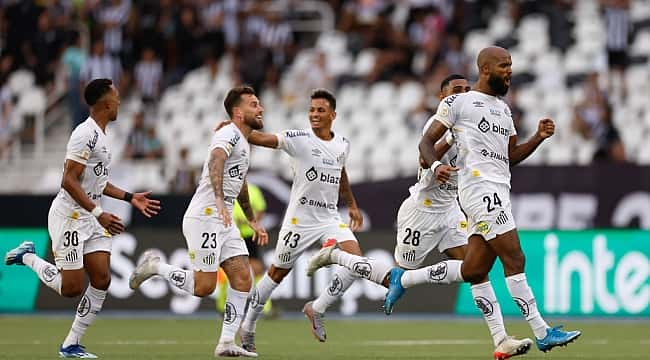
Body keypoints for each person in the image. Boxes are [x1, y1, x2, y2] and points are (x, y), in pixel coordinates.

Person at [308, 74, 537, 359]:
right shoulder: (440, 123)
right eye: (457, 90)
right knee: (395, 278)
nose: (464, 93)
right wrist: (447, 146)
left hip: (451, 211)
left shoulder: (473, 120)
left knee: (476, 270)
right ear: (443, 98)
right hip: (422, 212)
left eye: (467, 89)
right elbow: (422, 157)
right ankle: (335, 259)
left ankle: (501, 340)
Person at [414, 46, 580, 354]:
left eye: (511, 65)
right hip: (478, 188)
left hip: (498, 188)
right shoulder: (457, 102)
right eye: (504, 65)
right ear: (486, 69)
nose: (510, 70)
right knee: (515, 259)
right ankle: (542, 331)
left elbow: (509, 157)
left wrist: (538, 138)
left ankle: (404, 280)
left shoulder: (504, 110)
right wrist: (437, 166)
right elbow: (426, 142)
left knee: (474, 270)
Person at [4, 78, 161, 359]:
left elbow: (97, 183)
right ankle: (27, 256)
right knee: (71, 288)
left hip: (90, 216)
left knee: (101, 278)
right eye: (116, 97)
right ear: (105, 103)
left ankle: (70, 344)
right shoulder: (84, 134)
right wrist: (99, 213)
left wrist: (129, 197)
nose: (119, 102)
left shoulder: (101, 135)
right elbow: (68, 180)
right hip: (71, 217)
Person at [128, 85, 268, 358]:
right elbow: (216, 160)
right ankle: (155, 266)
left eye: (259, 103)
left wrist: (251, 219)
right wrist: (217, 199)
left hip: (223, 219)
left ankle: (226, 343)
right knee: (204, 287)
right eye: (254, 104)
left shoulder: (242, 140)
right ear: (238, 112)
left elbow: (240, 184)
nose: (260, 108)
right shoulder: (227, 134)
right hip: (205, 215)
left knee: (242, 278)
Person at [235, 89, 364, 353]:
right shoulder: (299, 138)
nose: (314, 114)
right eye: (312, 110)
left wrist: (351, 204)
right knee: (276, 274)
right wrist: (238, 128)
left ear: (333, 115)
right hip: (299, 220)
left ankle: (317, 308)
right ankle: (248, 326)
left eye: (320, 110)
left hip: (328, 218)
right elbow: (263, 138)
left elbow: (341, 174)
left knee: (357, 262)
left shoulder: (343, 144)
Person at [216, 182, 272, 315]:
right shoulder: (225, 189)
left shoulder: (252, 190)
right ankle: (222, 307)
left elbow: (261, 209)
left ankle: (264, 307)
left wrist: (249, 221)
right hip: (230, 234)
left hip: (248, 235)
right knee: (227, 271)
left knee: (257, 269)